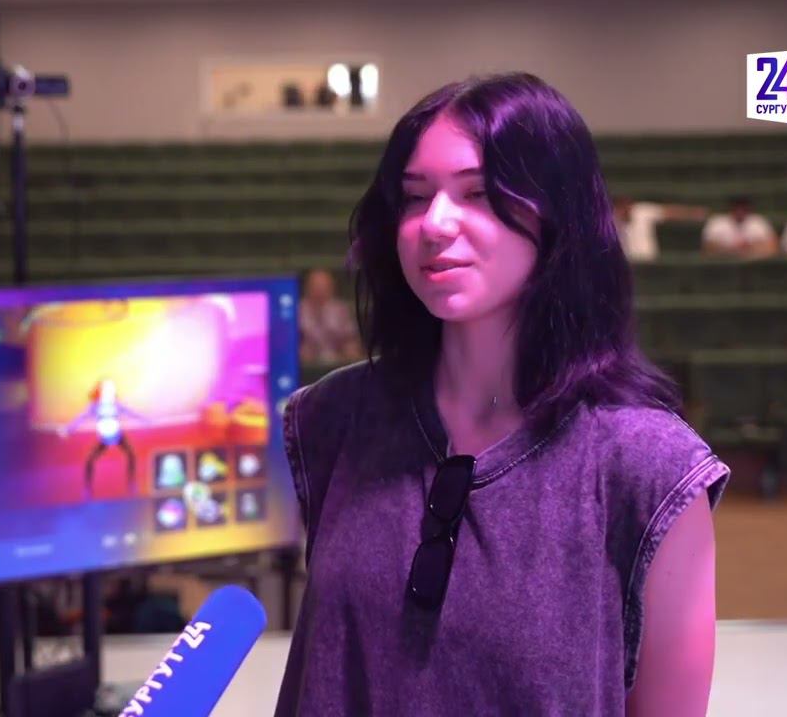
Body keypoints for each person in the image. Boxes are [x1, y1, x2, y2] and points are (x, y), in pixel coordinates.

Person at [276, 73, 729, 716]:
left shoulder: (648, 467)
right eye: (414, 197)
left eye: (479, 193)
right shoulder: (332, 417)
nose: (435, 223)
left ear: (558, 213)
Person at [612, 196, 709, 261]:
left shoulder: (641, 211)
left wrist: (692, 213)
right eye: (621, 206)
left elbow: (669, 212)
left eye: (627, 205)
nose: (626, 208)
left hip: (650, 263)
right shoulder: (611, 222)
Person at [298, 268, 363, 364]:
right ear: (307, 288)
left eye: (324, 287)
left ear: (332, 288)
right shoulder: (299, 310)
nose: (320, 291)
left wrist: (349, 351)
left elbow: (350, 338)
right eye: (316, 286)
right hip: (306, 361)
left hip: (337, 360)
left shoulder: (341, 309)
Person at [701, 196, 778, 258]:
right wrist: (732, 250)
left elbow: (773, 248)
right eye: (736, 206)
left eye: (743, 206)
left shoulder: (758, 221)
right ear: (731, 207)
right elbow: (708, 248)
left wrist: (749, 248)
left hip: (754, 264)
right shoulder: (717, 222)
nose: (740, 210)